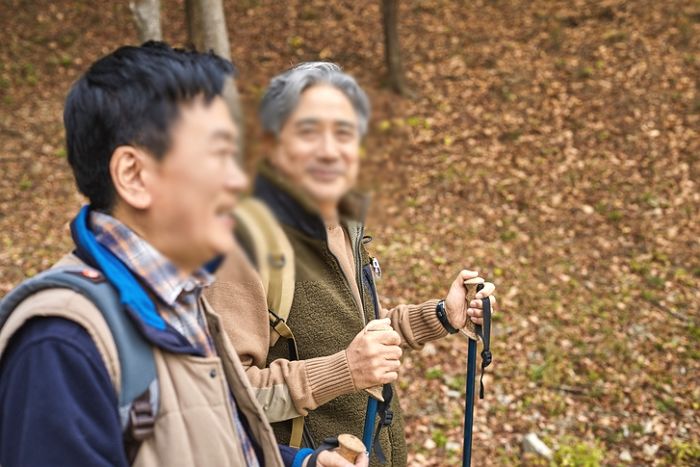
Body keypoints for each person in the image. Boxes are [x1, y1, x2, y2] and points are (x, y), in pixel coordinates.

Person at [0, 44, 366, 467]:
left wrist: (296, 462)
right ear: (134, 176)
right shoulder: (62, 346)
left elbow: (202, 444)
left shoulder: (181, 303)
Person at [206, 62, 497, 466]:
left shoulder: (345, 224)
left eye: (343, 131)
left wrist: (441, 315)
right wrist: (344, 370)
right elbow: (225, 394)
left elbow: (363, 338)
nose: (330, 149)